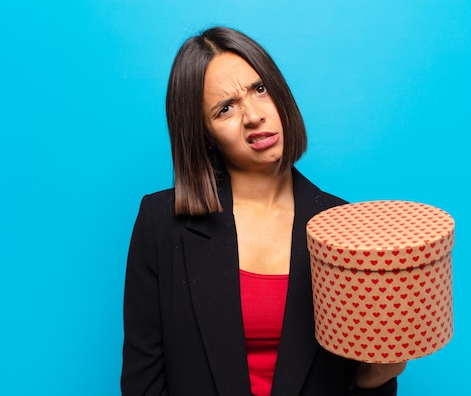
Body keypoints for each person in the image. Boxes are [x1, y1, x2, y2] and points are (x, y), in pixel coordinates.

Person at [121, 26, 406, 395]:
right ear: (203, 133)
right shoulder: (160, 223)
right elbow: (143, 381)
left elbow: (356, 380)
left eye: (259, 89)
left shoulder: (344, 228)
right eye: (225, 109)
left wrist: (379, 374)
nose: (253, 116)